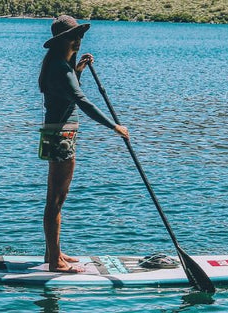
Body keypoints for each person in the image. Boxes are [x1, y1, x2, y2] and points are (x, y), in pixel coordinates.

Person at [37, 15, 130, 273]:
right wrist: (114, 126)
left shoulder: (60, 66)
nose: (79, 40)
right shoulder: (58, 67)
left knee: (58, 199)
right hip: (61, 136)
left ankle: (52, 251)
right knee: (55, 200)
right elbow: (82, 101)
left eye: (80, 36)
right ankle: (55, 261)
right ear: (62, 41)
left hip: (60, 134)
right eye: (74, 37)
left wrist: (78, 70)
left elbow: (67, 92)